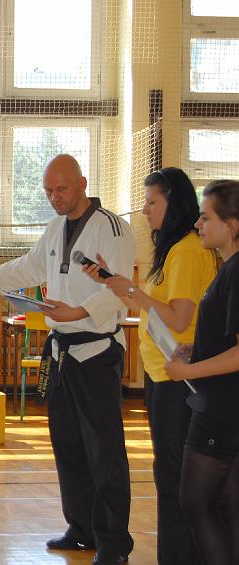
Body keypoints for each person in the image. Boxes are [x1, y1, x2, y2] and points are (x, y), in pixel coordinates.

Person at [0, 154, 137, 565]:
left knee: (104, 451)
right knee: (68, 444)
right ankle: (81, 528)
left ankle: (114, 543)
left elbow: (120, 289)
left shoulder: (112, 228)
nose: (55, 197)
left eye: (62, 189)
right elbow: (33, 265)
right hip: (61, 351)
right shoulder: (55, 227)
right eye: (49, 191)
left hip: (96, 352)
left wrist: (78, 312)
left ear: (83, 183)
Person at [82, 168, 215, 565]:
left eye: (152, 202)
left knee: (175, 478)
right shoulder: (171, 250)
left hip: (179, 380)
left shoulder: (187, 250)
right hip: (161, 376)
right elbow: (152, 309)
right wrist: (114, 283)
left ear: (174, 203)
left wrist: (130, 289)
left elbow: (178, 318)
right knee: (167, 474)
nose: (144, 210)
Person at [164, 179, 239, 565]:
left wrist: (189, 369)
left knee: (195, 501)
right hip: (223, 406)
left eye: (206, 217)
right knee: (226, 506)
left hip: (222, 411)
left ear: (232, 224)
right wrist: (199, 348)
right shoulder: (228, 268)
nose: (197, 224)